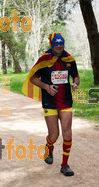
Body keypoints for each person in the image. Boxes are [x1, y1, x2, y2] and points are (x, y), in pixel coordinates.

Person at [22, 33, 80, 176]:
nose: (59, 46)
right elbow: (33, 79)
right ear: (52, 44)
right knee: (54, 135)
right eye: (56, 43)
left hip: (66, 100)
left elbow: (76, 76)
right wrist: (46, 87)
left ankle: (65, 165)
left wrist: (75, 84)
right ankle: (49, 147)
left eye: (61, 43)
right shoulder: (44, 59)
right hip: (50, 101)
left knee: (68, 133)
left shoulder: (69, 59)